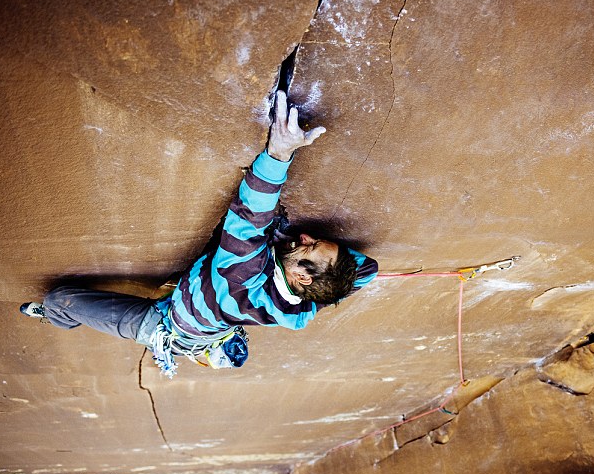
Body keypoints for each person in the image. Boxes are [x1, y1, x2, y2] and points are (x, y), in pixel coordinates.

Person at [20, 91, 378, 376]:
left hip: (167, 326)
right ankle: (213, 346)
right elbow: (366, 270)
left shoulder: (242, 273)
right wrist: (336, 272)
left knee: (60, 300)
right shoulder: (306, 307)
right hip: (216, 319)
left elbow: (251, 215)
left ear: (301, 275)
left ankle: (53, 317)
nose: (303, 238)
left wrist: (279, 153)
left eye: (309, 247)